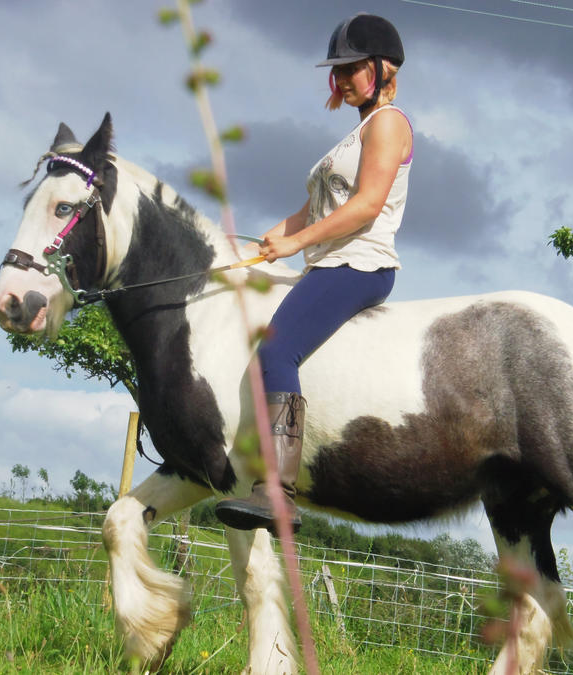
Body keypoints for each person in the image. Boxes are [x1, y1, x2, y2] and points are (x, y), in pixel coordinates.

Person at [216, 13, 413, 533]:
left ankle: (276, 492)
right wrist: (267, 242)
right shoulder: (354, 135)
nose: (343, 79)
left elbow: (367, 206)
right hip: (327, 259)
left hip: (360, 262)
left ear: (383, 68)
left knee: (276, 349)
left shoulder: (390, 124)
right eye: (338, 71)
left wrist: (297, 243)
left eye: (352, 68)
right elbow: (312, 212)